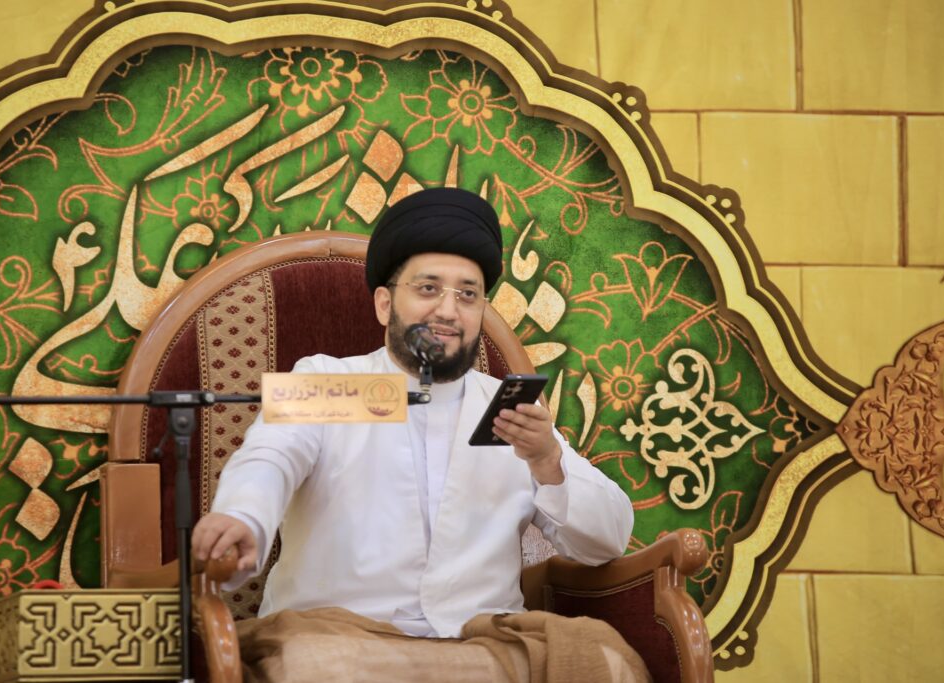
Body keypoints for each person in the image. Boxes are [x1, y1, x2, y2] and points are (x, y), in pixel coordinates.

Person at [191, 187, 646, 682]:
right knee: (316, 669)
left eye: (467, 294)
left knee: (605, 663)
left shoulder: (510, 406)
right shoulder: (327, 379)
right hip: (341, 639)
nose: (448, 311)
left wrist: (547, 460)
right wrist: (243, 516)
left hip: (479, 646)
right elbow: (271, 458)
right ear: (385, 303)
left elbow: (607, 542)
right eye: (428, 289)